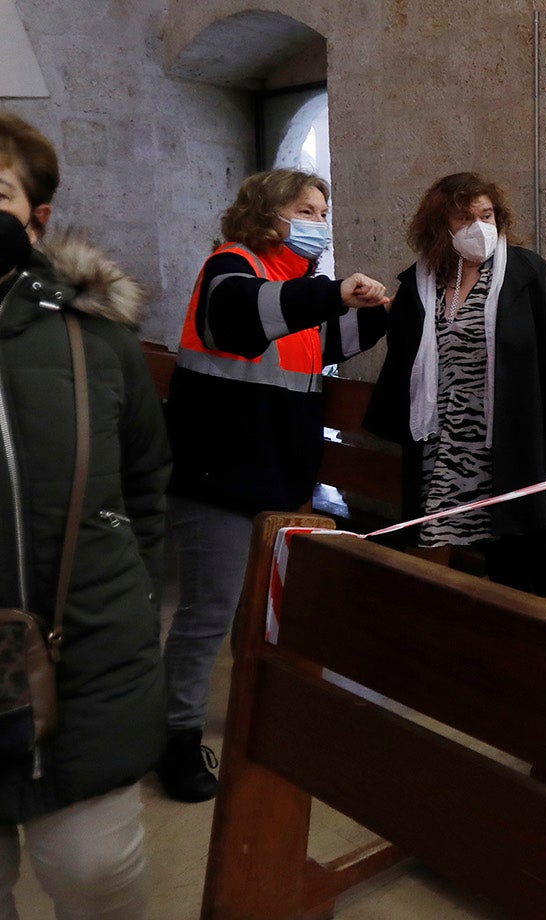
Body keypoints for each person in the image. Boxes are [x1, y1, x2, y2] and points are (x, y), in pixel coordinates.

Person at [159, 170, 391, 803]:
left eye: (324, 211)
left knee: (261, 612)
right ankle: (175, 739)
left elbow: (327, 340)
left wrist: (378, 311)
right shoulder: (229, 268)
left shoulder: (296, 289)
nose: (318, 220)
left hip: (280, 481)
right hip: (218, 479)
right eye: (306, 209)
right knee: (209, 613)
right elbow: (241, 319)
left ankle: (259, 710)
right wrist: (333, 292)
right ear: (268, 212)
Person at [0, 112, 170, 919]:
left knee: (96, 874)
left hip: (86, 656)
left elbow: (145, 485)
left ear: (37, 217)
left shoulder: (94, 340)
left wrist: (134, 607)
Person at [364, 173, 546, 598]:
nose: (479, 227)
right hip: (446, 441)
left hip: (513, 431)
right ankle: (468, 629)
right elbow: (403, 350)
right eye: (465, 218)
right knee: (441, 533)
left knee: (529, 537)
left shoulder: (526, 272)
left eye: (486, 215)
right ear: (440, 228)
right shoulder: (422, 283)